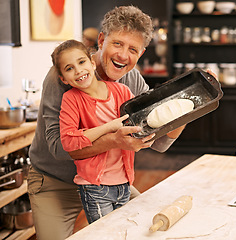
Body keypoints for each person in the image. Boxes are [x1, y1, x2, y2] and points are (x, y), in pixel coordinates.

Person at [28, 6, 185, 240]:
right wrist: (112, 141)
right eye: (118, 44)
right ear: (101, 40)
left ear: (141, 53)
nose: (123, 55)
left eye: (133, 49)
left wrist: (185, 110)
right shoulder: (64, 76)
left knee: (146, 232)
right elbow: (59, 149)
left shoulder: (131, 80)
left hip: (109, 183)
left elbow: (158, 144)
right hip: (56, 183)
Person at [53, 39, 136, 223]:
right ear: (64, 79)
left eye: (81, 62)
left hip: (124, 182)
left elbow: (141, 116)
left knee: (124, 232)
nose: (78, 71)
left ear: (92, 63)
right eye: (69, 68)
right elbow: (68, 141)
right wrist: (109, 127)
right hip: (95, 187)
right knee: (105, 235)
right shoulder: (71, 99)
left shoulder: (122, 91)